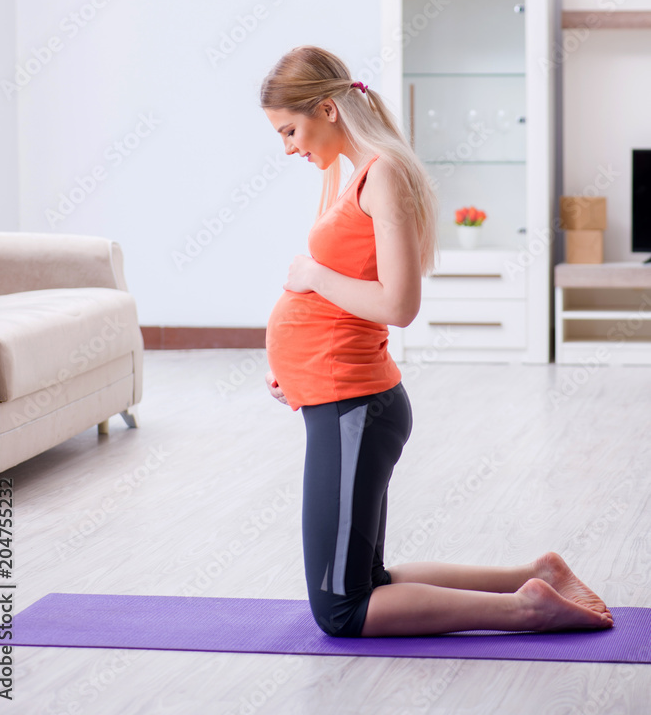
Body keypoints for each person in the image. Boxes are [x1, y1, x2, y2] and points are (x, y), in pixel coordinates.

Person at [260, 44, 613, 638]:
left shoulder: (383, 174)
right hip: (334, 397)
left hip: (354, 407)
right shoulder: (347, 174)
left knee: (341, 610)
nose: (288, 147)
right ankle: (534, 574)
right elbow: (333, 293)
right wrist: (290, 366)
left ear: (328, 109)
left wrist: (313, 277)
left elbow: (399, 306)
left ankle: (526, 610)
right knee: (363, 579)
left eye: (290, 130)